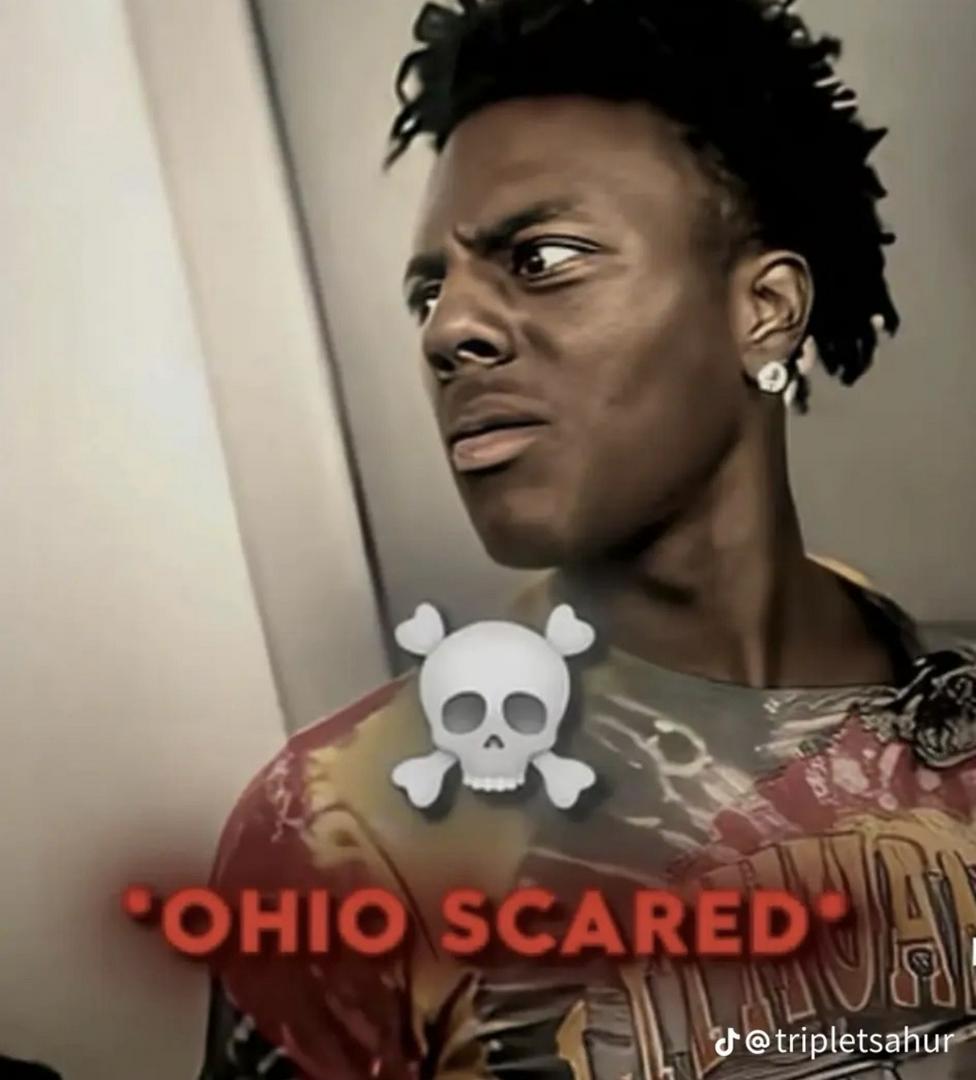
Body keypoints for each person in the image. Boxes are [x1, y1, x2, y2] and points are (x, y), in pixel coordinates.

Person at [198, 1, 976, 1077]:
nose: (447, 330)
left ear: (765, 309)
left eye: (543, 257)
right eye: (429, 292)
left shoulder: (950, 716)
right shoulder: (349, 833)